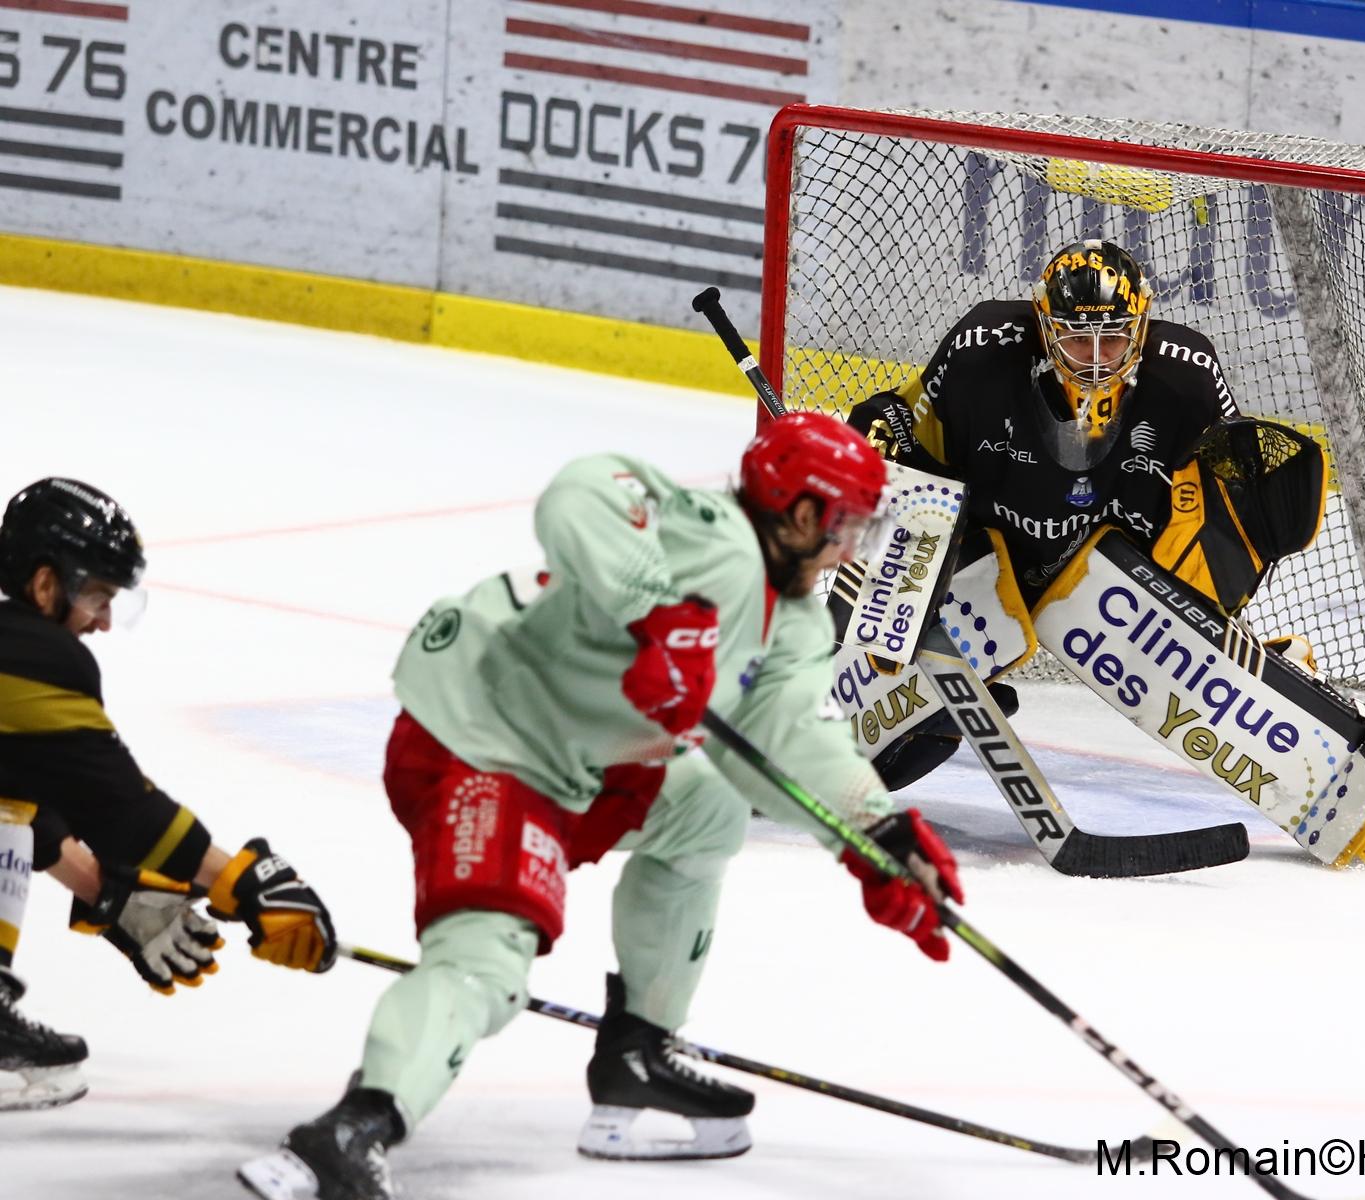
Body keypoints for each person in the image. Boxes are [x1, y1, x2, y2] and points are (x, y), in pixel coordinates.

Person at [239, 413, 964, 1200]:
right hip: (482, 737)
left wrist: (877, 833)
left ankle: (637, 1053)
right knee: (488, 960)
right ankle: (354, 1127)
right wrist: (657, 610)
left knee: (708, 810)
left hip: (577, 765)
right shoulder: (713, 536)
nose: (852, 547)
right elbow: (583, 489)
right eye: (847, 525)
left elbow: (785, 735)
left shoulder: (794, 623)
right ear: (798, 514)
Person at [846, 239, 1289, 788]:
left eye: (1115, 338)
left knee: (1197, 679)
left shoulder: (1189, 375)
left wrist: (1220, 596)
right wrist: (874, 435)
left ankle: (1291, 725)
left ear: (1142, 324)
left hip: (1111, 579)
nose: (1099, 358)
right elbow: (907, 424)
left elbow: (1236, 498)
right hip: (987, 552)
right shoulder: (981, 346)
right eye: (1079, 339)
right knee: (881, 685)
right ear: (1045, 325)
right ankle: (822, 722)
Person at [0, 478, 338, 1112]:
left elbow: (24, 804)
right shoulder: (34, 656)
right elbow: (122, 809)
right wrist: (240, 879)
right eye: (96, 595)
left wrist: (104, 890)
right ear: (46, 586)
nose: (102, 620)